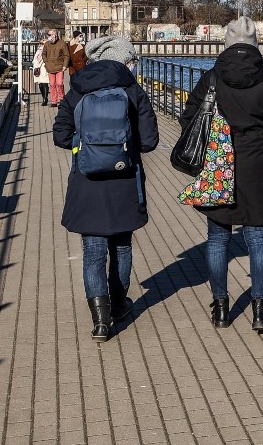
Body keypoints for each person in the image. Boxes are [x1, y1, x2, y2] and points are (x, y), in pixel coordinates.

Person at [178, 16, 263, 333]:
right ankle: (260, 310)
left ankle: (222, 308)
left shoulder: (212, 79)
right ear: (256, 46)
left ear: (225, 43)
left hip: (218, 164)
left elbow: (189, 118)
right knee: (258, 238)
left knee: (217, 239)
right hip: (256, 166)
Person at [52, 36, 159, 343]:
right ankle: (119, 305)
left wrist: (84, 147)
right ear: (125, 61)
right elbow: (150, 141)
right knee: (122, 246)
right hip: (124, 180)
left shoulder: (79, 89)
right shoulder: (133, 91)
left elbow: (60, 135)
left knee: (93, 252)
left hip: (87, 181)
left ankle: (101, 322)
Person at [42, 29, 70, 108]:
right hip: (50, 67)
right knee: (52, 85)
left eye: (50, 35)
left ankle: (61, 99)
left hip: (60, 67)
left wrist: (65, 65)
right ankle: (54, 101)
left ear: (55, 35)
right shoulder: (47, 44)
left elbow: (66, 55)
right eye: (48, 35)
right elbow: (43, 54)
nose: (49, 36)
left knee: (59, 83)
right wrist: (46, 62)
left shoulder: (62, 43)